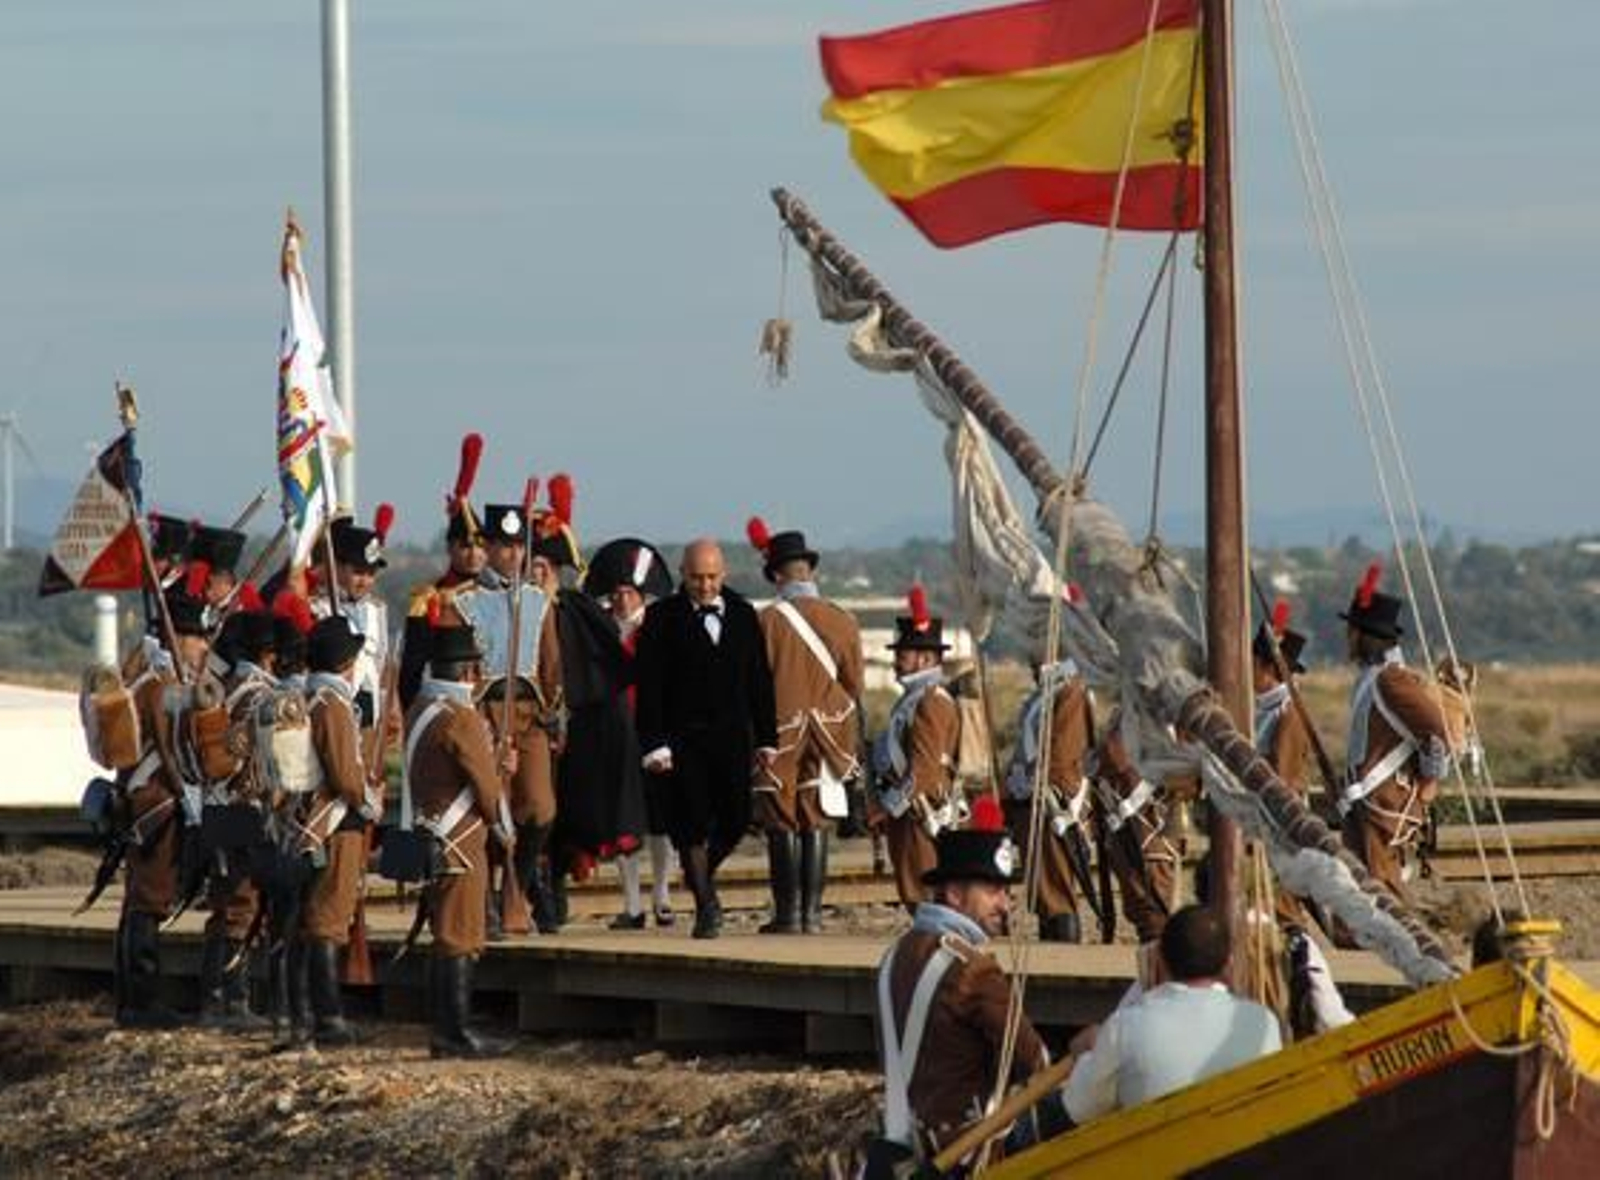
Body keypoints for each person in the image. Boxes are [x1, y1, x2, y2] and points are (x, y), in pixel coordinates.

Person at [874, 796, 1050, 1165]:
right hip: (965, 1154)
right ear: (954, 894)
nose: (1004, 903)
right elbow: (1035, 1061)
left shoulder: (894, 956)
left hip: (899, 1144)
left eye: (1004, 891)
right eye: (992, 890)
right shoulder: (974, 969)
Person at [634, 538, 777, 939]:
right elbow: (650, 686)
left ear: (724, 573)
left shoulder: (745, 614)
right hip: (681, 741)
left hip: (733, 739)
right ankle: (706, 906)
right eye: (696, 577)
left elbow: (759, 682)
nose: (705, 585)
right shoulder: (661, 618)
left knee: (735, 819)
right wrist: (653, 744)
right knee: (690, 823)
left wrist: (767, 739)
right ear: (683, 574)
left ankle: (700, 873)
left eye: (712, 577)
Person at [451, 499, 565, 934]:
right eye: (505, 547)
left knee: (539, 808)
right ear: (490, 547)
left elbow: (552, 663)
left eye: (519, 547)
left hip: (529, 714)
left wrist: (556, 713)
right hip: (485, 713)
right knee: (489, 808)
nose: (513, 555)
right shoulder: (465, 601)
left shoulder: (538, 600)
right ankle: (487, 900)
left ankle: (516, 886)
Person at [746, 519, 864, 935]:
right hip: (832, 732)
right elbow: (855, 685)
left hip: (780, 730)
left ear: (777, 574)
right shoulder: (843, 619)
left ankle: (787, 914)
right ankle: (811, 916)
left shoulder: (766, 622)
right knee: (816, 819)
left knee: (780, 819)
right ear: (808, 571)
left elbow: (753, 685)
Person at [404, 621, 516, 1058]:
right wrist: (504, 830)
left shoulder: (421, 708)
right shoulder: (463, 718)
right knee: (460, 936)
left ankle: (448, 1031)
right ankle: (454, 1034)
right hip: (460, 841)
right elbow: (486, 790)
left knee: (447, 932)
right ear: (468, 671)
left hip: (432, 835)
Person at [1062, 905, 1282, 1122]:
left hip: (1155, 1153)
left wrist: (1086, 1056)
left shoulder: (1124, 1026)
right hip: (1243, 1150)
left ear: (1161, 960)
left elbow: (1080, 1110)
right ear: (1228, 964)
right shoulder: (1265, 1022)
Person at [111, 583, 211, 1028]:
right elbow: (174, 751)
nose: (203, 646)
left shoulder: (143, 674)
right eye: (198, 637)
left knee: (140, 899)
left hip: (141, 797)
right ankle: (142, 1002)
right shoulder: (163, 684)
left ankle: (132, 999)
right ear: (178, 637)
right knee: (150, 899)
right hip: (159, 799)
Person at [1337, 564, 1451, 902]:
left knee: (1385, 896)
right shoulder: (1374, 676)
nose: (1347, 639)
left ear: (1362, 635)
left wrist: (1428, 786)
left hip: (1385, 803)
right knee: (1368, 895)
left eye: (1352, 632)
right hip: (1368, 802)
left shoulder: (1392, 679)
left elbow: (1437, 732)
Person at [285, 614, 373, 1049]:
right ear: (345, 662)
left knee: (311, 920)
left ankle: (303, 1017)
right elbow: (344, 774)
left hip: (309, 823)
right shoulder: (333, 703)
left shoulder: (308, 696)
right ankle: (328, 1017)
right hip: (336, 823)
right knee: (328, 921)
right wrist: (367, 797)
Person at [581, 537, 673, 929]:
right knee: (623, 824)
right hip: (614, 738)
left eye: (629, 593)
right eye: (616, 594)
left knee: (661, 821)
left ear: (641, 594)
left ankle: (663, 896)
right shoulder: (600, 634)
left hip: (654, 733)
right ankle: (632, 903)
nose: (621, 600)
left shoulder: (660, 629)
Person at [196, 606, 277, 1032]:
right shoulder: (262, 693)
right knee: (242, 906)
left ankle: (214, 999)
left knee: (222, 904)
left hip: (217, 806)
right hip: (246, 808)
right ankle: (233, 1000)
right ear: (269, 654)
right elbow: (265, 760)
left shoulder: (225, 686)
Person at [872, 586, 961, 913]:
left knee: (925, 895)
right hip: (910, 811)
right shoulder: (915, 699)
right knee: (916, 894)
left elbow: (923, 769)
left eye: (903, 654)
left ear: (925, 658)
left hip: (920, 811)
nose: (896, 661)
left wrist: (888, 806)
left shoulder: (930, 701)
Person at [1003, 655, 1096, 943]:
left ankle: (1064, 954)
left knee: (1057, 893)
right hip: (1033, 801)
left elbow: (1061, 756)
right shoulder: (1044, 694)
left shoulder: (1070, 690)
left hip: (1053, 804)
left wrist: (1028, 784)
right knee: (1042, 889)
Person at [400, 432, 489, 710]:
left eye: (480, 546)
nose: (474, 554)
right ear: (450, 548)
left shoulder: (495, 594)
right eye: (465, 546)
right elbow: (413, 666)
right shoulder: (428, 599)